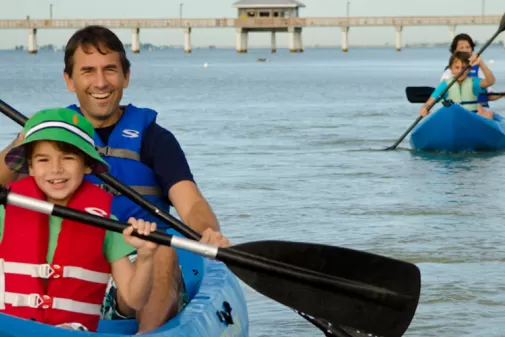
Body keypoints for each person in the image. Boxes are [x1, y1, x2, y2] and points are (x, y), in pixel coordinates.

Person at [0, 25, 230, 333]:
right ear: (69, 80)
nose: (100, 82)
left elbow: (191, 203)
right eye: (87, 71)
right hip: (74, 263)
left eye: (110, 69)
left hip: (136, 267)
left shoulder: (154, 139)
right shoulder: (50, 140)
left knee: (161, 252)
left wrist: (208, 233)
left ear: (126, 76)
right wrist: (25, 138)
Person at [0, 108, 159, 332]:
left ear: (86, 165)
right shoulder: (5, 212)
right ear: (31, 167)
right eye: (43, 160)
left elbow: (135, 299)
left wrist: (145, 257)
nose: (56, 169)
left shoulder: (107, 224)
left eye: (68, 158)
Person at [420, 51, 495, 120]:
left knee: (488, 115)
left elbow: (490, 81)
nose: (460, 71)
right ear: (451, 69)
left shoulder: (474, 83)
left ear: (469, 69)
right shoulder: (445, 85)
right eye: (456, 67)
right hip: (453, 120)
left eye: (463, 68)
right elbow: (430, 102)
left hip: (472, 119)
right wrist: (425, 108)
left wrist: (481, 63)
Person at [440, 33, 503, 106]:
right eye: (461, 48)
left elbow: (488, 95)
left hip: (479, 112)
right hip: (457, 110)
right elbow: (443, 92)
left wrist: (502, 94)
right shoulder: (449, 71)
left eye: (468, 47)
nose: (465, 50)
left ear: (472, 49)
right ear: (454, 51)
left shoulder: (480, 69)